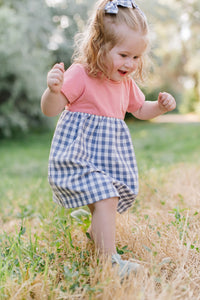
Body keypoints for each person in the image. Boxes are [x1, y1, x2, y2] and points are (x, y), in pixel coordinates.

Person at [41, 0, 176, 278]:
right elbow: (50, 109)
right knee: (106, 194)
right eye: (124, 54)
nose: (130, 63)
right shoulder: (80, 75)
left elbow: (140, 109)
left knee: (107, 199)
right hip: (78, 156)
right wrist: (53, 90)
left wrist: (159, 107)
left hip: (107, 158)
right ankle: (109, 264)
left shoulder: (125, 84)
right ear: (99, 46)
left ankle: (98, 235)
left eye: (136, 58)